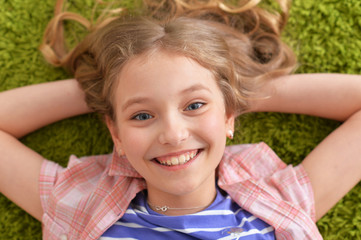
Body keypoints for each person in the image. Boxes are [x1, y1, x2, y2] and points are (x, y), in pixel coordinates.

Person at [0, 0, 360, 239]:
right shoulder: (78, 202)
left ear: (229, 116)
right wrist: (105, 91)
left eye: (194, 106)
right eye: (142, 114)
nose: (173, 133)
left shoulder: (280, 206)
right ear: (117, 134)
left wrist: (237, 89)